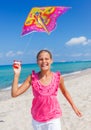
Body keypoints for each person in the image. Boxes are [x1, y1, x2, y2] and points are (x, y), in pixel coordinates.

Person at [12, 49, 82, 130]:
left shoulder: (58, 78)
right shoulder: (32, 78)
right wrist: (16, 75)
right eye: (41, 59)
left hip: (53, 118)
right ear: (37, 62)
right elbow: (15, 93)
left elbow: (65, 92)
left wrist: (74, 107)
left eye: (46, 59)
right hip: (37, 120)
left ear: (51, 61)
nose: (44, 61)